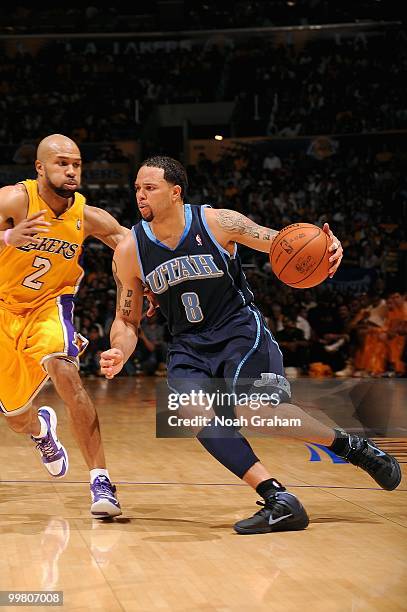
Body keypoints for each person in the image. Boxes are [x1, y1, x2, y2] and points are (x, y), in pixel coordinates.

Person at [100, 156, 401, 535]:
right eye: (137, 189)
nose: (140, 195)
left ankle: (349, 446)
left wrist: (328, 244)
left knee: (254, 413)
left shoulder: (218, 222)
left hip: (238, 333)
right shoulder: (130, 249)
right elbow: (126, 319)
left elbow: (285, 242)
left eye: (150, 188)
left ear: (175, 193)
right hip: (187, 346)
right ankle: (278, 498)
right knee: (190, 414)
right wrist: (118, 351)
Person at [0, 133, 125, 517]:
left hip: (48, 307)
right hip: (3, 311)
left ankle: (101, 482)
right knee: (16, 417)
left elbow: (130, 245)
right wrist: (6, 236)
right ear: (40, 167)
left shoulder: (87, 216)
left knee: (65, 370)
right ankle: (42, 431)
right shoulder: (13, 200)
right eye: (61, 164)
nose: (71, 171)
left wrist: (154, 282)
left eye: (76, 164)